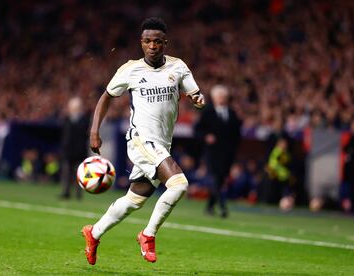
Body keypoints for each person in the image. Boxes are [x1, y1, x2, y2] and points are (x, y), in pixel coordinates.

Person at [81, 17, 205, 265]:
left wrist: (197, 99)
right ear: (141, 42)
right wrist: (95, 130)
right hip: (141, 140)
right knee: (179, 184)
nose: (152, 46)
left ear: (165, 43)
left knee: (134, 200)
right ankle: (147, 235)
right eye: (147, 41)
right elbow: (106, 97)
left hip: (162, 144)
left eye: (157, 42)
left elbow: (195, 93)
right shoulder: (130, 69)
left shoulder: (178, 67)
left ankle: (93, 233)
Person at [195, 85, 242, 218]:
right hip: (212, 153)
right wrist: (206, 136)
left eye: (223, 96)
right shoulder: (207, 112)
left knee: (220, 181)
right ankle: (222, 206)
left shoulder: (232, 113)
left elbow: (237, 135)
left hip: (227, 154)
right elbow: (197, 130)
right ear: (214, 98)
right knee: (215, 179)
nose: (221, 99)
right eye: (218, 96)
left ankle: (209, 207)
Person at [60, 97, 90, 199]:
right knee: (66, 172)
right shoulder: (67, 119)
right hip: (68, 151)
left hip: (79, 151)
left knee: (79, 173)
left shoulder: (84, 119)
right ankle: (66, 192)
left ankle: (78, 194)